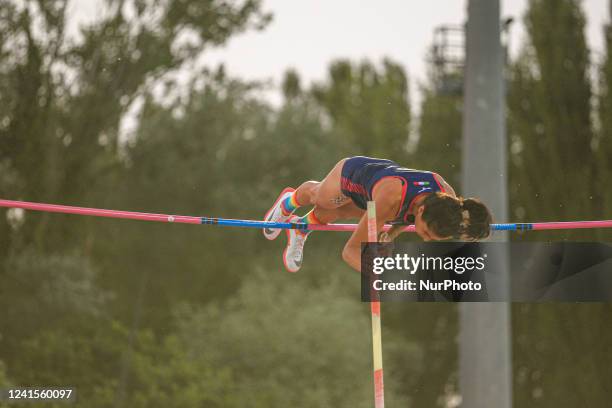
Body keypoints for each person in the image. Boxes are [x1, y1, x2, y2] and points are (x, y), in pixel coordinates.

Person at [263, 156, 492, 272]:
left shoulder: (446, 203)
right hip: (355, 175)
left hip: (381, 194)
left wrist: (391, 234)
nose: (425, 238)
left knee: (336, 213)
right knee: (319, 197)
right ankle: (287, 203)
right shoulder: (389, 201)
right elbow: (350, 251)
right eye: (426, 232)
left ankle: (300, 229)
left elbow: (407, 218)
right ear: (421, 210)